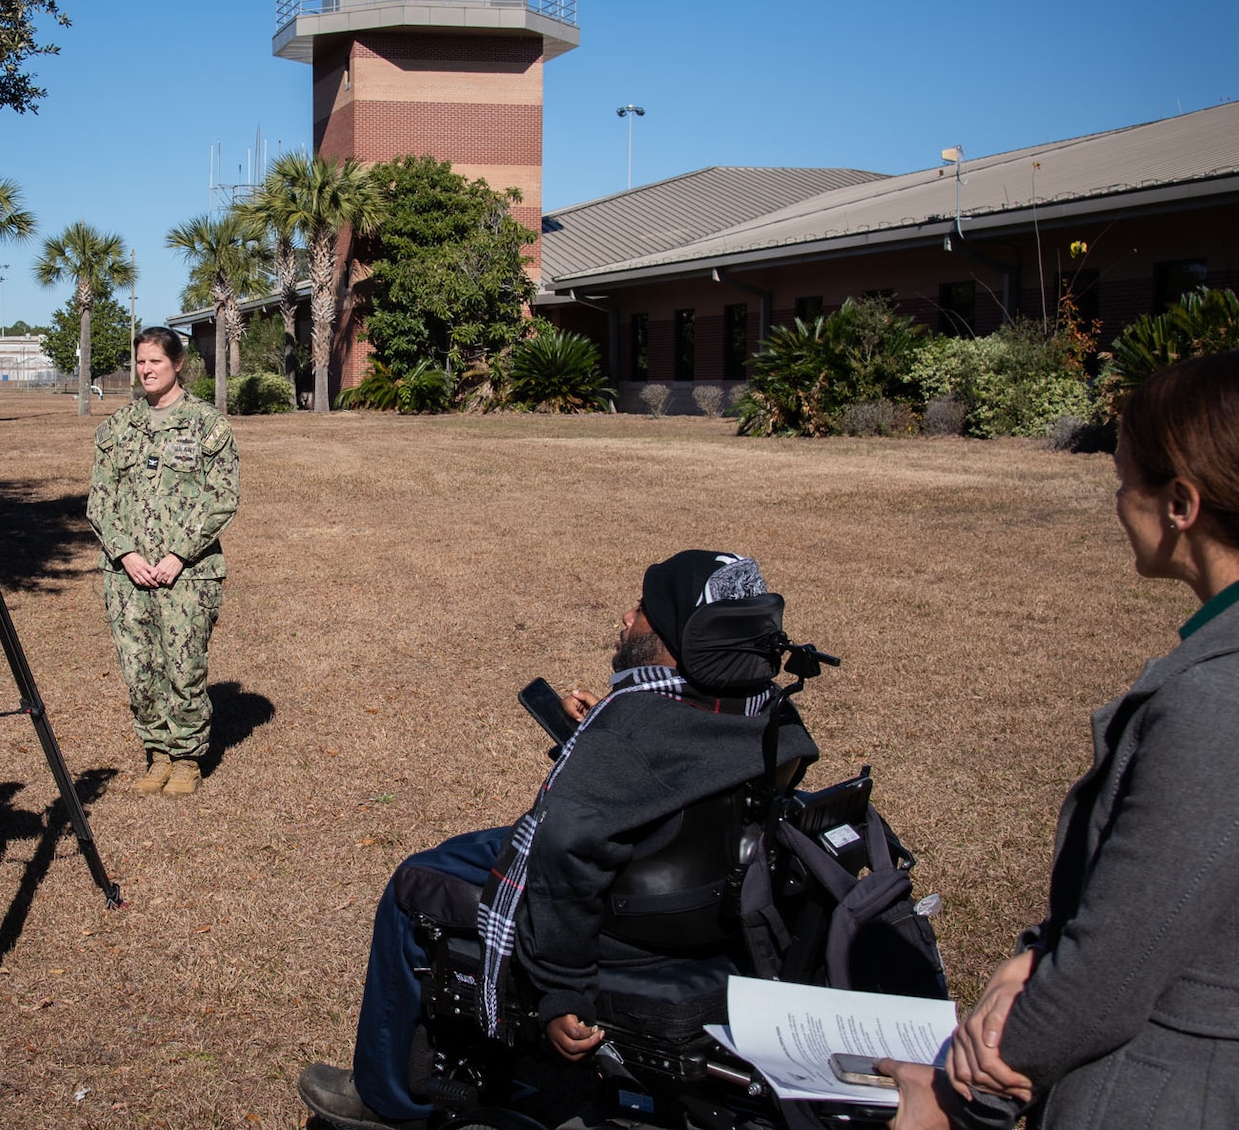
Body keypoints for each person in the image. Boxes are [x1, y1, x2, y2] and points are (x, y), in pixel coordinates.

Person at [298, 550, 820, 1130]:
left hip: (621, 917)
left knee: (415, 881)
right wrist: (595, 735)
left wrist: (563, 990)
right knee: (463, 854)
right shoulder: (769, 712)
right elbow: (675, 767)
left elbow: (565, 856)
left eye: (643, 609)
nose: (627, 617)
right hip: (691, 894)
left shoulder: (627, 731)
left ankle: (387, 1099)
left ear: (678, 638)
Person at [884, 350, 1239, 1130]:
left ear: (1181, 503)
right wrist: (1039, 953)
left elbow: (1111, 975)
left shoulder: (1215, 704)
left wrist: (953, 1095)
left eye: (1123, 481)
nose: (1116, 503)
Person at [86, 327, 240, 798]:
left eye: (155, 361)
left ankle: (188, 757)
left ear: (177, 364)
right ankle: (158, 753)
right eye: (140, 361)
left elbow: (222, 497)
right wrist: (126, 554)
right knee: (139, 669)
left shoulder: (206, 425)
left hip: (187, 575)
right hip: (127, 575)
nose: (146, 370)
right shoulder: (118, 427)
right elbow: (100, 500)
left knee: (184, 666)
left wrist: (178, 555)